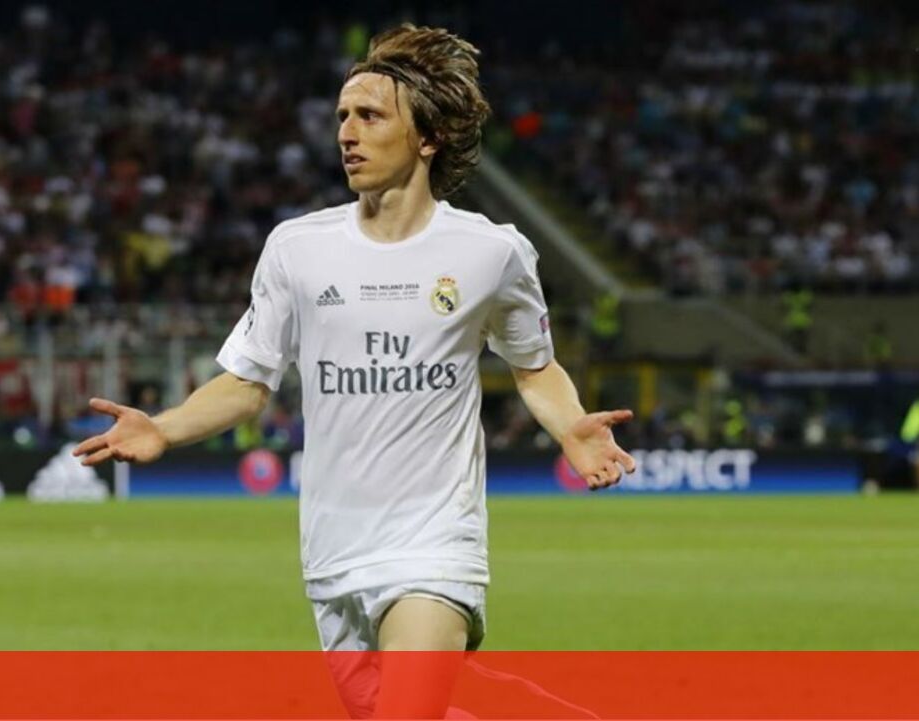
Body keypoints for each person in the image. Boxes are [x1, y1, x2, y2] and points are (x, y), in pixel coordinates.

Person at [73, 23, 635, 717]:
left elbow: (533, 367)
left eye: (370, 116)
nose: (347, 132)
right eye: (342, 116)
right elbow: (248, 382)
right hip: (333, 549)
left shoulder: (491, 252)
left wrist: (570, 425)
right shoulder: (297, 249)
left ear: (427, 138)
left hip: (434, 543)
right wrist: (164, 427)